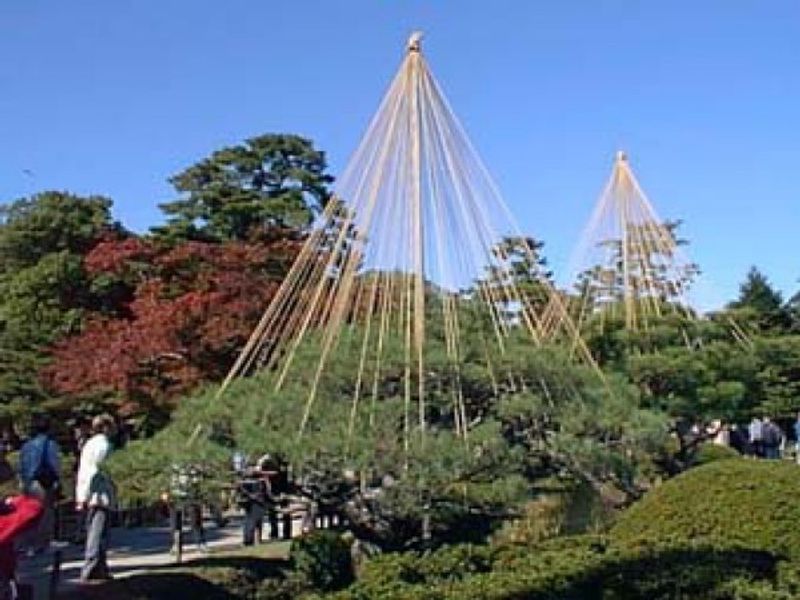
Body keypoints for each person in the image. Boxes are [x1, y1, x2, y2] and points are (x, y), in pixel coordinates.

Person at [75, 414, 117, 583]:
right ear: (106, 427)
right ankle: (91, 567)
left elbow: (83, 472)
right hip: (99, 494)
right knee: (97, 532)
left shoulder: (90, 444)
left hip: (92, 493)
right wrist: (85, 496)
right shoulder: (103, 445)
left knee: (98, 531)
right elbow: (94, 472)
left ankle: (100, 567)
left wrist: (81, 495)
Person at [17, 413, 60, 555]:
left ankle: (27, 544)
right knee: (45, 513)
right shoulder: (49, 443)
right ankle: (42, 544)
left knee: (28, 513)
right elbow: (54, 464)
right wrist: (57, 480)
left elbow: (21, 465)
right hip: (43, 482)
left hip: (28, 482)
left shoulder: (26, 445)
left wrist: (22, 481)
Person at [237, 462, 270, 546]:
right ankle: (248, 540)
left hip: (258, 502)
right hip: (251, 503)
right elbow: (241, 490)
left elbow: (265, 490)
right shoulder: (245, 480)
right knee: (250, 522)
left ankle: (256, 540)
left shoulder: (260, 479)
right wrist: (250, 496)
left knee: (257, 522)